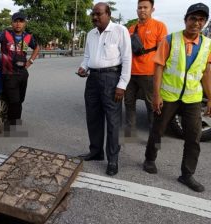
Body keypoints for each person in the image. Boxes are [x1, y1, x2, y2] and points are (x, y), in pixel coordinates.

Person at [143, 3, 211, 192]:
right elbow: (158, 66)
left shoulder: (207, 44)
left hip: (192, 99)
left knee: (194, 138)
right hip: (169, 96)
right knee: (158, 130)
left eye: (201, 20)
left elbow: (206, 72)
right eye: (193, 19)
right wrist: (156, 95)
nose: (196, 23)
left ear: (205, 23)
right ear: (185, 20)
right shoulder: (170, 40)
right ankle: (150, 159)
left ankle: (187, 174)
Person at [76, 2, 132, 176]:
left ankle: (113, 160)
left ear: (108, 14)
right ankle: (96, 152)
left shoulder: (120, 31)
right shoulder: (91, 34)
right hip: (92, 79)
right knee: (93, 117)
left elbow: (127, 59)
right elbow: (87, 57)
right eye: (93, 14)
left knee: (113, 121)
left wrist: (122, 85)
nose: (95, 17)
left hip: (111, 78)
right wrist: (83, 67)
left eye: (98, 14)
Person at [125, 0, 167, 137]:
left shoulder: (159, 26)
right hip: (131, 73)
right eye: (139, 7)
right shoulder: (132, 29)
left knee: (152, 107)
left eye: (145, 7)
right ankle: (130, 134)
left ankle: (154, 138)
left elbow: (162, 51)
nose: (142, 10)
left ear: (152, 9)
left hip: (149, 73)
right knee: (129, 103)